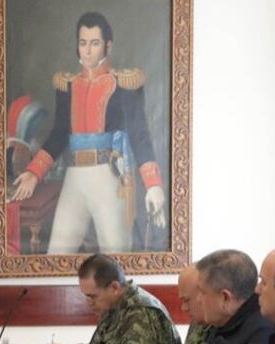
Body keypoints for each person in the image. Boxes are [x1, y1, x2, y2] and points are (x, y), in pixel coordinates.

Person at [10, 11, 168, 252]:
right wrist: (34, 172)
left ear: (108, 45)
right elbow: (59, 134)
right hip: (74, 178)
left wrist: (153, 184)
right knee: (56, 255)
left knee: (117, 259)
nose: (88, 50)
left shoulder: (125, 84)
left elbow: (140, 134)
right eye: (83, 43)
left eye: (94, 43)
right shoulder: (68, 85)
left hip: (110, 177)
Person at [52, 253, 180, 344]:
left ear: (114, 287)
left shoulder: (141, 311)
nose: (89, 303)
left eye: (93, 297)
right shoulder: (113, 305)